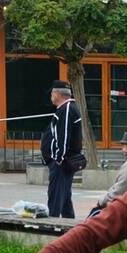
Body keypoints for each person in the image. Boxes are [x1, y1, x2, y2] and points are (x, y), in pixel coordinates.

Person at [41, 79, 83, 219]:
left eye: (52, 93)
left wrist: (59, 158)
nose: (51, 96)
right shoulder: (67, 109)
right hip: (64, 162)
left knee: (55, 195)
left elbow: (63, 136)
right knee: (64, 196)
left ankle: (52, 225)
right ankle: (68, 224)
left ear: (58, 93)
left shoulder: (66, 109)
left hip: (62, 162)